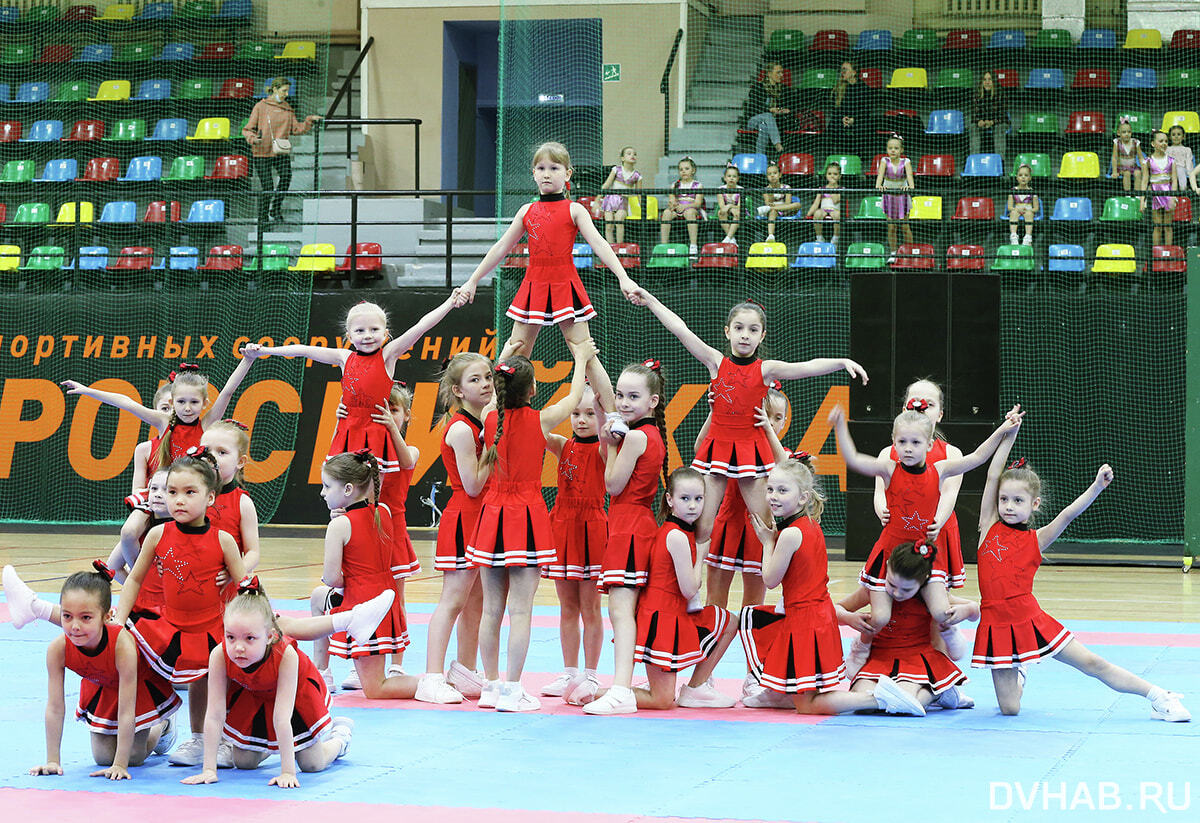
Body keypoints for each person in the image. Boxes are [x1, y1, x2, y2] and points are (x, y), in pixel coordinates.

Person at [973, 421, 1190, 721]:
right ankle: (1020, 671)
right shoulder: (988, 527)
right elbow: (992, 475)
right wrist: (1009, 433)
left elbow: (1068, 514)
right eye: (1004, 499)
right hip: (996, 626)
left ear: (1034, 504)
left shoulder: (1036, 539)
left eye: (1018, 500)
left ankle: (1158, 696)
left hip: (1029, 619)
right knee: (1010, 709)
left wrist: (1097, 486)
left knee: (1091, 662)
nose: (1009, 506)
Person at [630, 291, 867, 553]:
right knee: (703, 527)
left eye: (753, 330)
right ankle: (691, 589)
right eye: (739, 328)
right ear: (727, 331)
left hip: (751, 451)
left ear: (762, 335)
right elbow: (680, 329)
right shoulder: (715, 362)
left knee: (765, 524)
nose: (745, 335)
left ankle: (780, 582)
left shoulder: (766, 369)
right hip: (716, 449)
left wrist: (842, 361)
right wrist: (649, 300)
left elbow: (807, 366)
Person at [831, 403, 1023, 678]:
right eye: (902, 442)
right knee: (881, 617)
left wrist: (1004, 429)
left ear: (930, 443)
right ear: (893, 443)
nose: (908, 448)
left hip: (924, 555)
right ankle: (860, 647)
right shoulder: (889, 469)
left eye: (915, 442)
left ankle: (962, 617)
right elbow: (854, 460)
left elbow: (978, 457)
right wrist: (840, 427)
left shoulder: (941, 469)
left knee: (941, 611)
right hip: (891, 553)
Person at [739, 456, 925, 716]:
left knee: (808, 705)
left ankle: (877, 698)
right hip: (816, 618)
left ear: (803, 497)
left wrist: (767, 542)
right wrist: (846, 617)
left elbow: (769, 580)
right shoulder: (811, 526)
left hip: (806, 624)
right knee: (757, 619)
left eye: (782, 490)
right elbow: (815, 592)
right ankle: (778, 690)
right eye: (770, 489)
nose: (773, 496)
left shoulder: (790, 534)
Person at [468, 341, 594, 711]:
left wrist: (507, 352)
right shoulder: (540, 419)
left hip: (493, 515)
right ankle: (510, 689)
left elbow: (498, 395)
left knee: (492, 610)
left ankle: (490, 686)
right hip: (525, 516)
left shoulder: (491, 417)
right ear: (534, 389)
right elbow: (573, 398)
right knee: (520, 611)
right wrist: (582, 358)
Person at [181, 578, 393, 788]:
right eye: (231, 637)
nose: (238, 647)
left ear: (270, 636)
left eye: (249, 638)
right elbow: (215, 713)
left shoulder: (285, 655)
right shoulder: (219, 654)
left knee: (312, 763)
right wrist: (208, 769)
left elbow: (282, 717)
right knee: (244, 762)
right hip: (255, 697)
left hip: (295, 697)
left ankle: (340, 737)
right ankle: (271, 746)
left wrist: (287, 772)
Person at [112, 449, 246, 768]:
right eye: (172, 492)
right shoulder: (158, 534)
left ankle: (225, 737)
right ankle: (190, 735)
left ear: (210, 497)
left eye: (189, 493)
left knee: (210, 678)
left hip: (211, 625)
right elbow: (133, 580)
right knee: (143, 662)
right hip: (170, 625)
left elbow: (243, 587)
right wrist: (119, 618)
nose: (179, 500)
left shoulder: (224, 540)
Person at [455, 141, 639, 372]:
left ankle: (611, 409)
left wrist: (623, 277)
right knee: (516, 354)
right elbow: (501, 247)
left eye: (554, 168)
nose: (547, 174)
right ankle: (507, 408)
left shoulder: (575, 209)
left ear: (567, 173)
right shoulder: (526, 211)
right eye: (541, 168)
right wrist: (472, 280)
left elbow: (600, 245)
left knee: (586, 356)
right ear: (533, 174)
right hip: (534, 285)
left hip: (566, 284)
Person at [244, 294, 460, 478]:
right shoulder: (344, 357)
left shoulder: (387, 355)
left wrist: (450, 302)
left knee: (371, 494)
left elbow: (422, 326)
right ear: (349, 336)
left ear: (386, 334)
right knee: (339, 489)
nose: (367, 335)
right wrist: (264, 351)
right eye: (360, 331)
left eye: (374, 329)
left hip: (375, 430)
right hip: (348, 429)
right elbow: (302, 349)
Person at [28, 564, 180, 780]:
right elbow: (54, 706)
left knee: (134, 757)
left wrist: (120, 765)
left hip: (137, 689)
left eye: (86, 618)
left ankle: (163, 725)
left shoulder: (123, 645)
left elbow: (127, 710)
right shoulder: (57, 649)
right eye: (67, 616)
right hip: (101, 683)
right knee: (102, 757)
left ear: (107, 616)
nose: (75, 626)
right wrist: (53, 760)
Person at [583, 360, 668, 715]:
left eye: (634, 396)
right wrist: (608, 435)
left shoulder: (634, 437)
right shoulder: (644, 434)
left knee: (621, 612)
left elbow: (612, 484)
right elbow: (611, 462)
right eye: (620, 395)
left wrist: (614, 443)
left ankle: (621, 689)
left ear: (653, 401)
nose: (624, 402)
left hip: (630, 527)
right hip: (631, 524)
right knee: (625, 611)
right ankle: (623, 685)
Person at [415, 352, 494, 704]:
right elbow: (473, 485)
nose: (487, 383)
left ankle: (464, 668)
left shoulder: (481, 421)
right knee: (453, 600)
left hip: (483, 516)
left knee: (475, 601)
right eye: (475, 379)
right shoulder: (462, 429)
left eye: (488, 376)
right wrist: (495, 446)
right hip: (465, 515)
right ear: (458, 391)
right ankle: (431, 676)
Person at [631, 467, 738, 710]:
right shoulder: (676, 535)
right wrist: (701, 554)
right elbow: (690, 589)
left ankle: (696, 687)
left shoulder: (683, 531)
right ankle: (597, 692)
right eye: (685, 499)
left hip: (676, 613)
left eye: (698, 499)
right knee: (661, 700)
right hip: (661, 619)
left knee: (730, 621)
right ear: (669, 499)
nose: (692, 506)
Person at [316, 451, 416, 700]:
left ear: (348, 489)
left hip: (363, 606)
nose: (322, 492)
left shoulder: (339, 526)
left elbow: (330, 578)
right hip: (385, 601)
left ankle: (434, 683)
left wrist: (347, 584)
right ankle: (322, 673)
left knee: (376, 689)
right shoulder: (384, 511)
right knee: (319, 599)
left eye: (327, 486)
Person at [836, 541, 979, 714]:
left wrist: (966, 610)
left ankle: (937, 692)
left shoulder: (931, 597)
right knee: (862, 702)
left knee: (906, 702)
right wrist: (848, 618)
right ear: (887, 569)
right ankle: (932, 691)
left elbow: (976, 610)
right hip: (879, 656)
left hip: (916, 657)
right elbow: (834, 609)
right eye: (892, 584)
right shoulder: (874, 590)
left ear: (923, 582)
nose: (897, 593)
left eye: (906, 590)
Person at [61, 358, 258, 477]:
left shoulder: (207, 425)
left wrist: (248, 359)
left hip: (197, 491)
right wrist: (87, 390)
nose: (188, 408)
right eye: (181, 402)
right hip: (167, 490)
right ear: (172, 402)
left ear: (205, 403)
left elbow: (227, 392)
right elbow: (126, 402)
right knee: (130, 531)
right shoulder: (163, 421)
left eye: (194, 402)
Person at [541, 383, 609, 706]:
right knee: (567, 606)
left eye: (588, 414)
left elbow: (607, 429)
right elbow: (538, 425)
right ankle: (569, 671)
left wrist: (600, 406)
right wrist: (569, 399)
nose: (582, 420)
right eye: (575, 414)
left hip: (592, 530)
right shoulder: (561, 444)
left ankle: (591, 673)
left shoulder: (603, 449)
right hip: (562, 528)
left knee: (591, 607)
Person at [242, 76, 322, 225]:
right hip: (261, 152)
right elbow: (247, 129)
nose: (286, 94)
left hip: (280, 151)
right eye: (284, 90)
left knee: (286, 177)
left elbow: (296, 129)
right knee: (267, 187)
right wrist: (253, 139)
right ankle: (263, 219)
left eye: (288, 91)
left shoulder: (287, 109)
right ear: (274, 90)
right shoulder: (260, 107)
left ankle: (276, 209)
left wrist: (309, 120)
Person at [200, 419, 262, 585]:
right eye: (206, 451)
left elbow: (253, 552)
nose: (211, 457)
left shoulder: (242, 502)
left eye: (222, 452)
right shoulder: (189, 494)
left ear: (240, 462)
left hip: (226, 588)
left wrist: (234, 571)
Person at [875, 135, 914, 263]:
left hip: (902, 194)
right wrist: (879, 185)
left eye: (896, 148)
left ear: (901, 150)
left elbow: (910, 179)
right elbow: (879, 178)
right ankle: (893, 253)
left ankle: (909, 252)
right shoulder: (884, 161)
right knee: (891, 227)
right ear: (887, 149)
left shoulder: (906, 161)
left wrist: (909, 187)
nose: (893, 150)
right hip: (889, 195)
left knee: (904, 226)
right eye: (890, 148)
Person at [660, 156, 705, 255]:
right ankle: (663, 245)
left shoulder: (698, 185)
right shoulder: (674, 185)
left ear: (693, 170)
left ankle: (693, 245)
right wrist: (673, 205)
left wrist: (685, 207)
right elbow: (672, 200)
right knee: (666, 213)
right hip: (678, 209)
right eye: (681, 169)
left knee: (689, 213)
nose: (683, 171)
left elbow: (697, 203)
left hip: (692, 209)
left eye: (687, 169)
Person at [597, 145, 642, 244]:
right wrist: (597, 200)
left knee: (619, 220)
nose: (632, 155)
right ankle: (610, 247)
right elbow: (606, 185)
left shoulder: (637, 175)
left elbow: (639, 193)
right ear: (622, 158)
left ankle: (619, 246)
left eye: (634, 154)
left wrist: (642, 208)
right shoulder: (616, 170)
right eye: (629, 154)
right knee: (609, 224)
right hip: (610, 200)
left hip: (623, 202)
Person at [745, 62, 791, 157]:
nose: (781, 75)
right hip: (754, 120)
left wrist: (782, 110)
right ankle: (777, 144)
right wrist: (769, 109)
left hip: (771, 124)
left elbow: (790, 107)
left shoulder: (784, 90)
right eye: (778, 72)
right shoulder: (757, 87)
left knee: (764, 127)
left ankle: (759, 157)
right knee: (768, 116)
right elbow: (753, 108)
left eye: (782, 72)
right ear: (769, 73)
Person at [1141, 130, 1178, 247]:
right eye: (1161, 141)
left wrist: (1172, 197)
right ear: (1153, 144)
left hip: (1167, 194)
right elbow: (1145, 181)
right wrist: (1142, 201)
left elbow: (1174, 180)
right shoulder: (1147, 161)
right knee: (1157, 226)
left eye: (1166, 141)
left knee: (1168, 226)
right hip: (1154, 194)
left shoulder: (1172, 161)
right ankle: (1156, 254)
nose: (1164, 143)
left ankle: (1168, 254)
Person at [829, 60, 871, 160]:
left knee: (865, 125)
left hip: (858, 119)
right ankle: (832, 157)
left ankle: (860, 157)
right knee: (832, 124)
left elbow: (865, 110)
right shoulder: (838, 88)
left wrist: (853, 119)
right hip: (842, 118)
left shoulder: (864, 88)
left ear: (854, 72)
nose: (842, 72)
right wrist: (843, 118)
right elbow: (835, 110)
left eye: (845, 70)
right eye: (841, 70)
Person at [757, 161, 802, 243]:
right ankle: (771, 235)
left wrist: (775, 207)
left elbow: (788, 203)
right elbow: (768, 204)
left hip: (785, 210)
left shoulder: (787, 187)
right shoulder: (766, 190)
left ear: (780, 175)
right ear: (767, 177)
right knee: (772, 211)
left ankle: (774, 209)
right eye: (769, 174)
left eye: (775, 173)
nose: (772, 175)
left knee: (797, 204)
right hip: (773, 211)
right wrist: (770, 194)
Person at [968, 70, 1009, 160]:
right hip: (983, 123)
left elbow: (1003, 115)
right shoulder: (976, 95)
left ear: (994, 81)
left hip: (998, 122)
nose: (987, 82)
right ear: (981, 82)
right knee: (973, 127)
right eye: (984, 79)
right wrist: (978, 121)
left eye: (990, 79)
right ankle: (974, 159)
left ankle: (1000, 161)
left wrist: (992, 122)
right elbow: (974, 114)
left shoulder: (1001, 94)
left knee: (999, 129)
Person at [805, 162, 842, 246]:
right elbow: (816, 203)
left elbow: (836, 200)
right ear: (826, 175)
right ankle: (819, 237)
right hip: (824, 209)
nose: (832, 176)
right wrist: (808, 214)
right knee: (817, 213)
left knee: (837, 215)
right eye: (829, 174)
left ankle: (835, 238)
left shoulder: (841, 189)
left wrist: (832, 187)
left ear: (839, 176)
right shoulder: (821, 189)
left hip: (835, 210)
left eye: (835, 174)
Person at [1008, 164, 1039, 246]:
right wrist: (1016, 209)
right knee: (1013, 213)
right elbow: (1009, 207)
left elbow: (1036, 208)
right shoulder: (1012, 190)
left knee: (1029, 214)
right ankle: (1014, 236)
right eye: (1020, 175)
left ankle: (1028, 237)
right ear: (1017, 177)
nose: (1023, 177)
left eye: (1026, 175)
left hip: (1028, 210)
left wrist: (1029, 210)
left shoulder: (1032, 191)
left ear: (1030, 178)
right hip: (1017, 209)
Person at [1111, 118, 1145, 192]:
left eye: (1129, 132)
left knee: (1138, 173)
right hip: (1122, 168)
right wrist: (1114, 171)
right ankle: (1128, 194)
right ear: (1118, 133)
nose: (1127, 134)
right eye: (1124, 132)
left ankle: (1137, 194)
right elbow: (1114, 158)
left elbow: (1141, 157)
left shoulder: (1136, 142)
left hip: (1133, 167)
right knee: (1127, 173)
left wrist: (1144, 169)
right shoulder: (1117, 142)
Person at [716, 164, 743, 246]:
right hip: (726, 209)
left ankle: (728, 238)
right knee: (721, 213)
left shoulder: (741, 190)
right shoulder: (720, 190)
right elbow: (722, 206)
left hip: (737, 210)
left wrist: (730, 206)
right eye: (729, 176)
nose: (731, 178)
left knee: (738, 213)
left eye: (734, 176)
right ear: (725, 178)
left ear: (738, 179)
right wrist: (729, 208)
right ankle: (732, 239)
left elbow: (740, 206)